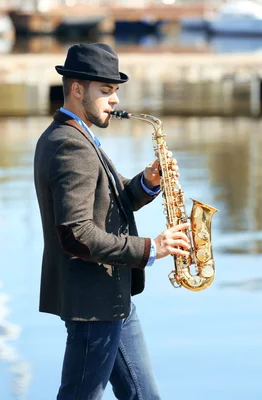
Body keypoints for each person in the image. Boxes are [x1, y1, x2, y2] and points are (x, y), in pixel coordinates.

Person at [33, 42, 191, 400]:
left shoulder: (78, 137)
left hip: (112, 298)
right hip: (92, 305)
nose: (115, 100)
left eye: (115, 91)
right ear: (77, 90)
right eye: (106, 91)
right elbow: (76, 235)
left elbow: (114, 200)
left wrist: (147, 183)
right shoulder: (70, 146)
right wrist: (152, 248)